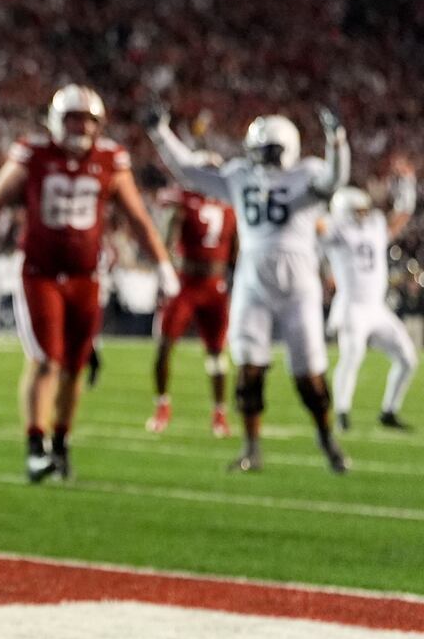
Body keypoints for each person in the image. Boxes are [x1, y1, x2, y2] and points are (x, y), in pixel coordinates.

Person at [0, 85, 181, 482]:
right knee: (44, 360)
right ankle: (35, 446)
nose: (81, 127)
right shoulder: (34, 153)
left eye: (88, 119)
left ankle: (60, 442)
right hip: (40, 273)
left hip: (87, 276)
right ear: (56, 120)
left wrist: (163, 264)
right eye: (74, 118)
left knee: (74, 366)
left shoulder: (111, 158)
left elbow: (138, 218)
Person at [148, 108, 350, 473]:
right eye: (261, 149)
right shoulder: (241, 175)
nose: (264, 157)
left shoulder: (308, 173)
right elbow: (188, 171)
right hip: (253, 284)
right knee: (248, 371)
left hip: (298, 287)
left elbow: (336, 178)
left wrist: (337, 142)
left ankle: (327, 441)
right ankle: (251, 449)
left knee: (310, 376)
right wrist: (159, 133)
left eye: (271, 149)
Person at [321, 162, 417, 432]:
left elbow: (401, 216)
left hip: (376, 308)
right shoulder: (335, 228)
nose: (364, 214)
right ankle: (341, 413)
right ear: (343, 211)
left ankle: (389, 411)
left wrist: (407, 184)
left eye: (365, 209)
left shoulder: (375, 225)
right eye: (358, 210)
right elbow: (315, 232)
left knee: (408, 359)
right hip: (352, 306)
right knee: (352, 357)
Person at [146, 176, 237, 436]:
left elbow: (235, 251)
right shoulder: (185, 203)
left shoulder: (228, 206)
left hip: (215, 285)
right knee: (164, 345)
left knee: (218, 353)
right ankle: (162, 405)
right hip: (185, 282)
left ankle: (220, 412)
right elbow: (167, 240)